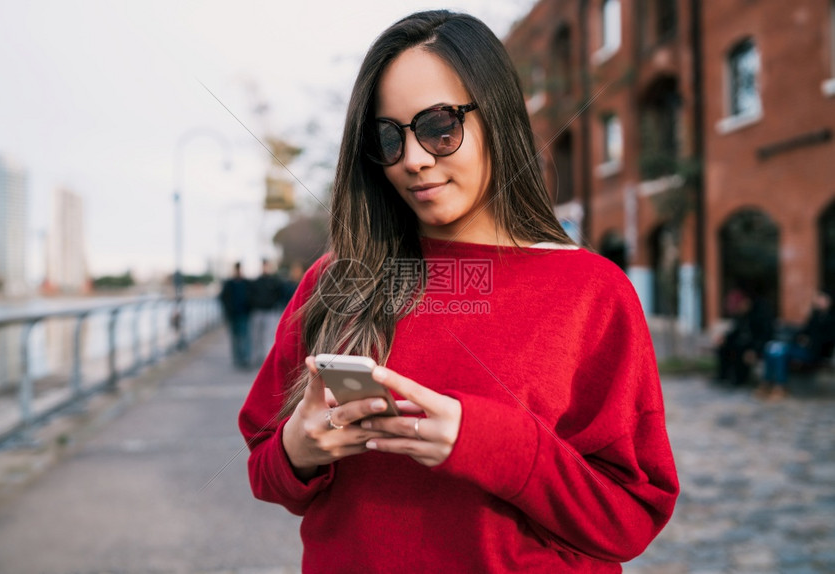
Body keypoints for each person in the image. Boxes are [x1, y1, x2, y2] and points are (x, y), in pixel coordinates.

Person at [239, 10, 678, 573]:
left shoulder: (593, 290)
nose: (415, 159)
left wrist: (491, 443)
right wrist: (299, 451)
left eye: (440, 127)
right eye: (388, 137)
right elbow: (263, 469)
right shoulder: (333, 281)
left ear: (496, 117)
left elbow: (631, 516)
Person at [757, 290, 835, 399]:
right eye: (819, 299)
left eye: (822, 299)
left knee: (781, 352)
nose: (819, 301)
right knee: (771, 350)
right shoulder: (816, 315)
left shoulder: (831, 318)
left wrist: (811, 340)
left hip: (818, 353)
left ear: (829, 301)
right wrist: (800, 338)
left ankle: (780, 386)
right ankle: (767, 383)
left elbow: (828, 338)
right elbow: (804, 331)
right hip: (806, 349)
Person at [715, 290, 774, 386]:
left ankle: (739, 380)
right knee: (724, 347)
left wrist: (754, 350)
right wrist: (725, 338)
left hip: (757, 345)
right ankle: (723, 376)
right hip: (744, 343)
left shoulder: (761, 314)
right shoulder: (742, 315)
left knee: (741, 351)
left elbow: (765, 335)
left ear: (746, 302)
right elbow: (735, 330)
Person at [249, 259, 284, 365]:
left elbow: (279, 294)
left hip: (270, 311)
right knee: (256, 337)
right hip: (258, 311)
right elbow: (251, 295)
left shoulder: (274, 281)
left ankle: (266, 360)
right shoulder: (257, 281)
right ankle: (257, 358)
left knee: (268, 337)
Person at [218, 261, 252, 369]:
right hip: (234, 314)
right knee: (236, 337)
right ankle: (238, 359)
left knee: (244, 337)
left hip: (243, 314)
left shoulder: (245, 283)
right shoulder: (230, 283)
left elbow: (251, 296)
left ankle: (244, 358)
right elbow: (222, 297)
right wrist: (229, 309)